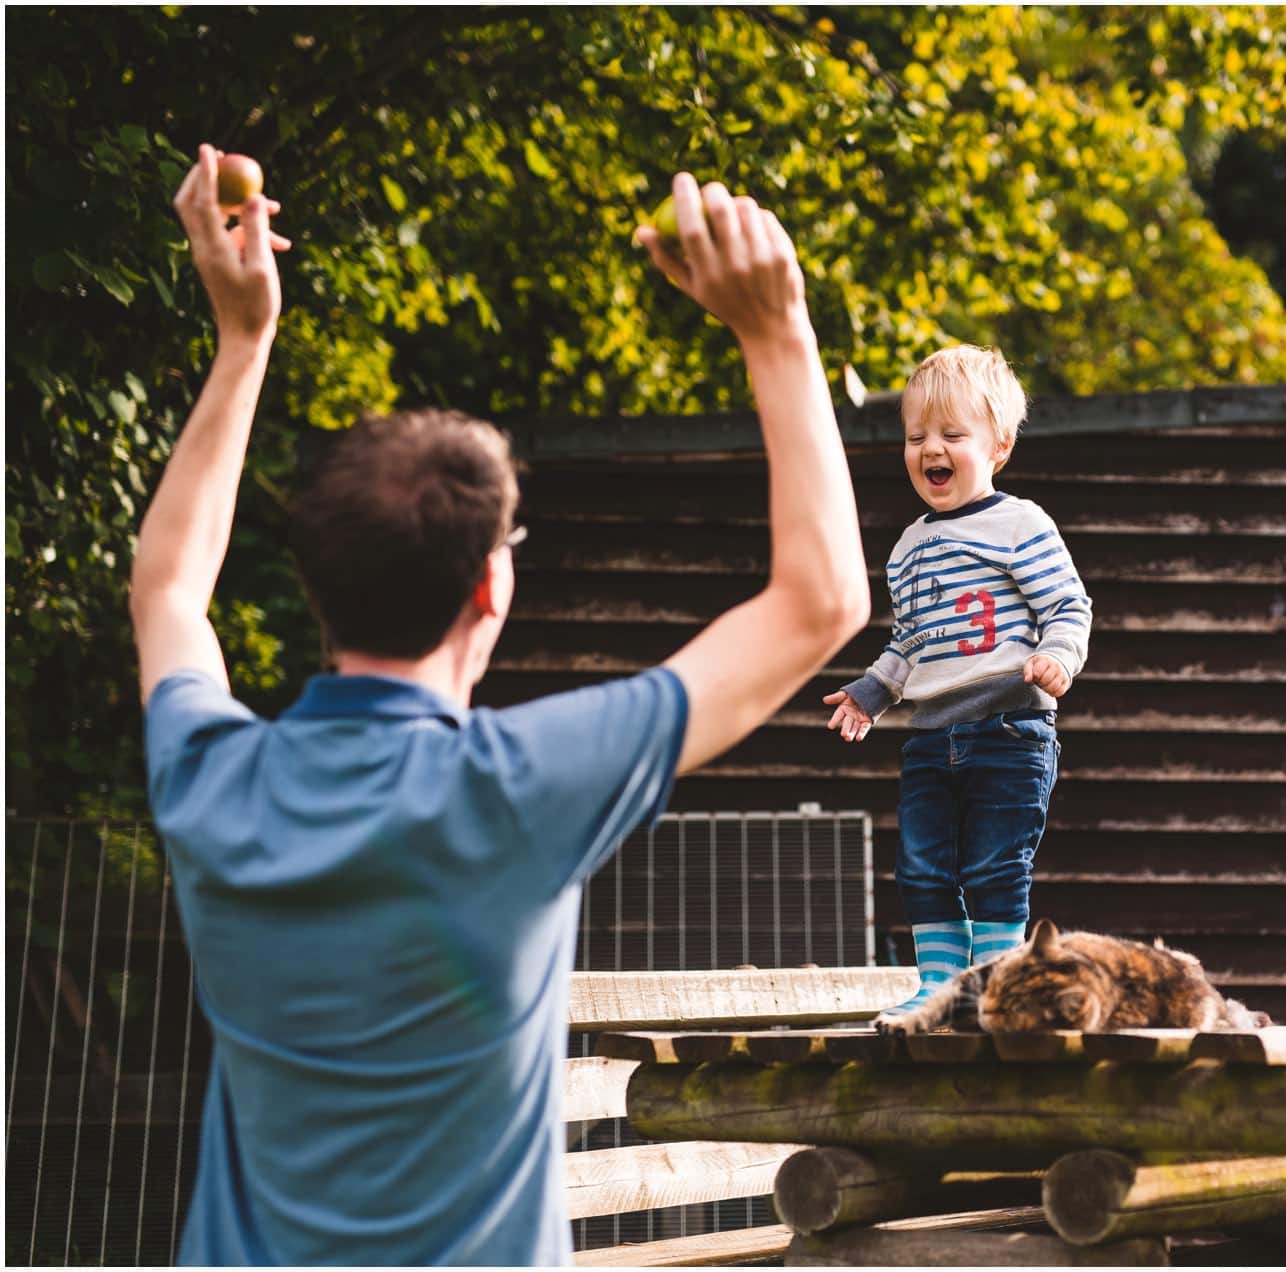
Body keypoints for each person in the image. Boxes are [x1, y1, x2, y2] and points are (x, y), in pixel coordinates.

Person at [132, 145, 868, 1265]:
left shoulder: (211, 778)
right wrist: (776, 328)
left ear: (315, 588)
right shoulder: (523, 786)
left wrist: (243, 341)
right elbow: (822, 603)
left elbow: (171, 586)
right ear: (491, 585)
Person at [821, 345, 1092, 1014]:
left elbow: (1067, 605)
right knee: (922, 867)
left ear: (998, 446)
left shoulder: (1021, 524)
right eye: (917, 437)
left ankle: (994, 989)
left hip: (1008, 730)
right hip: (930, 737)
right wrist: (871, 692)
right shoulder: (908, 547)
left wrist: (1058, 656)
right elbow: (910, 642)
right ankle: (938, 990)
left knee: (993, 868)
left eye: (950, 435)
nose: (930, 449)